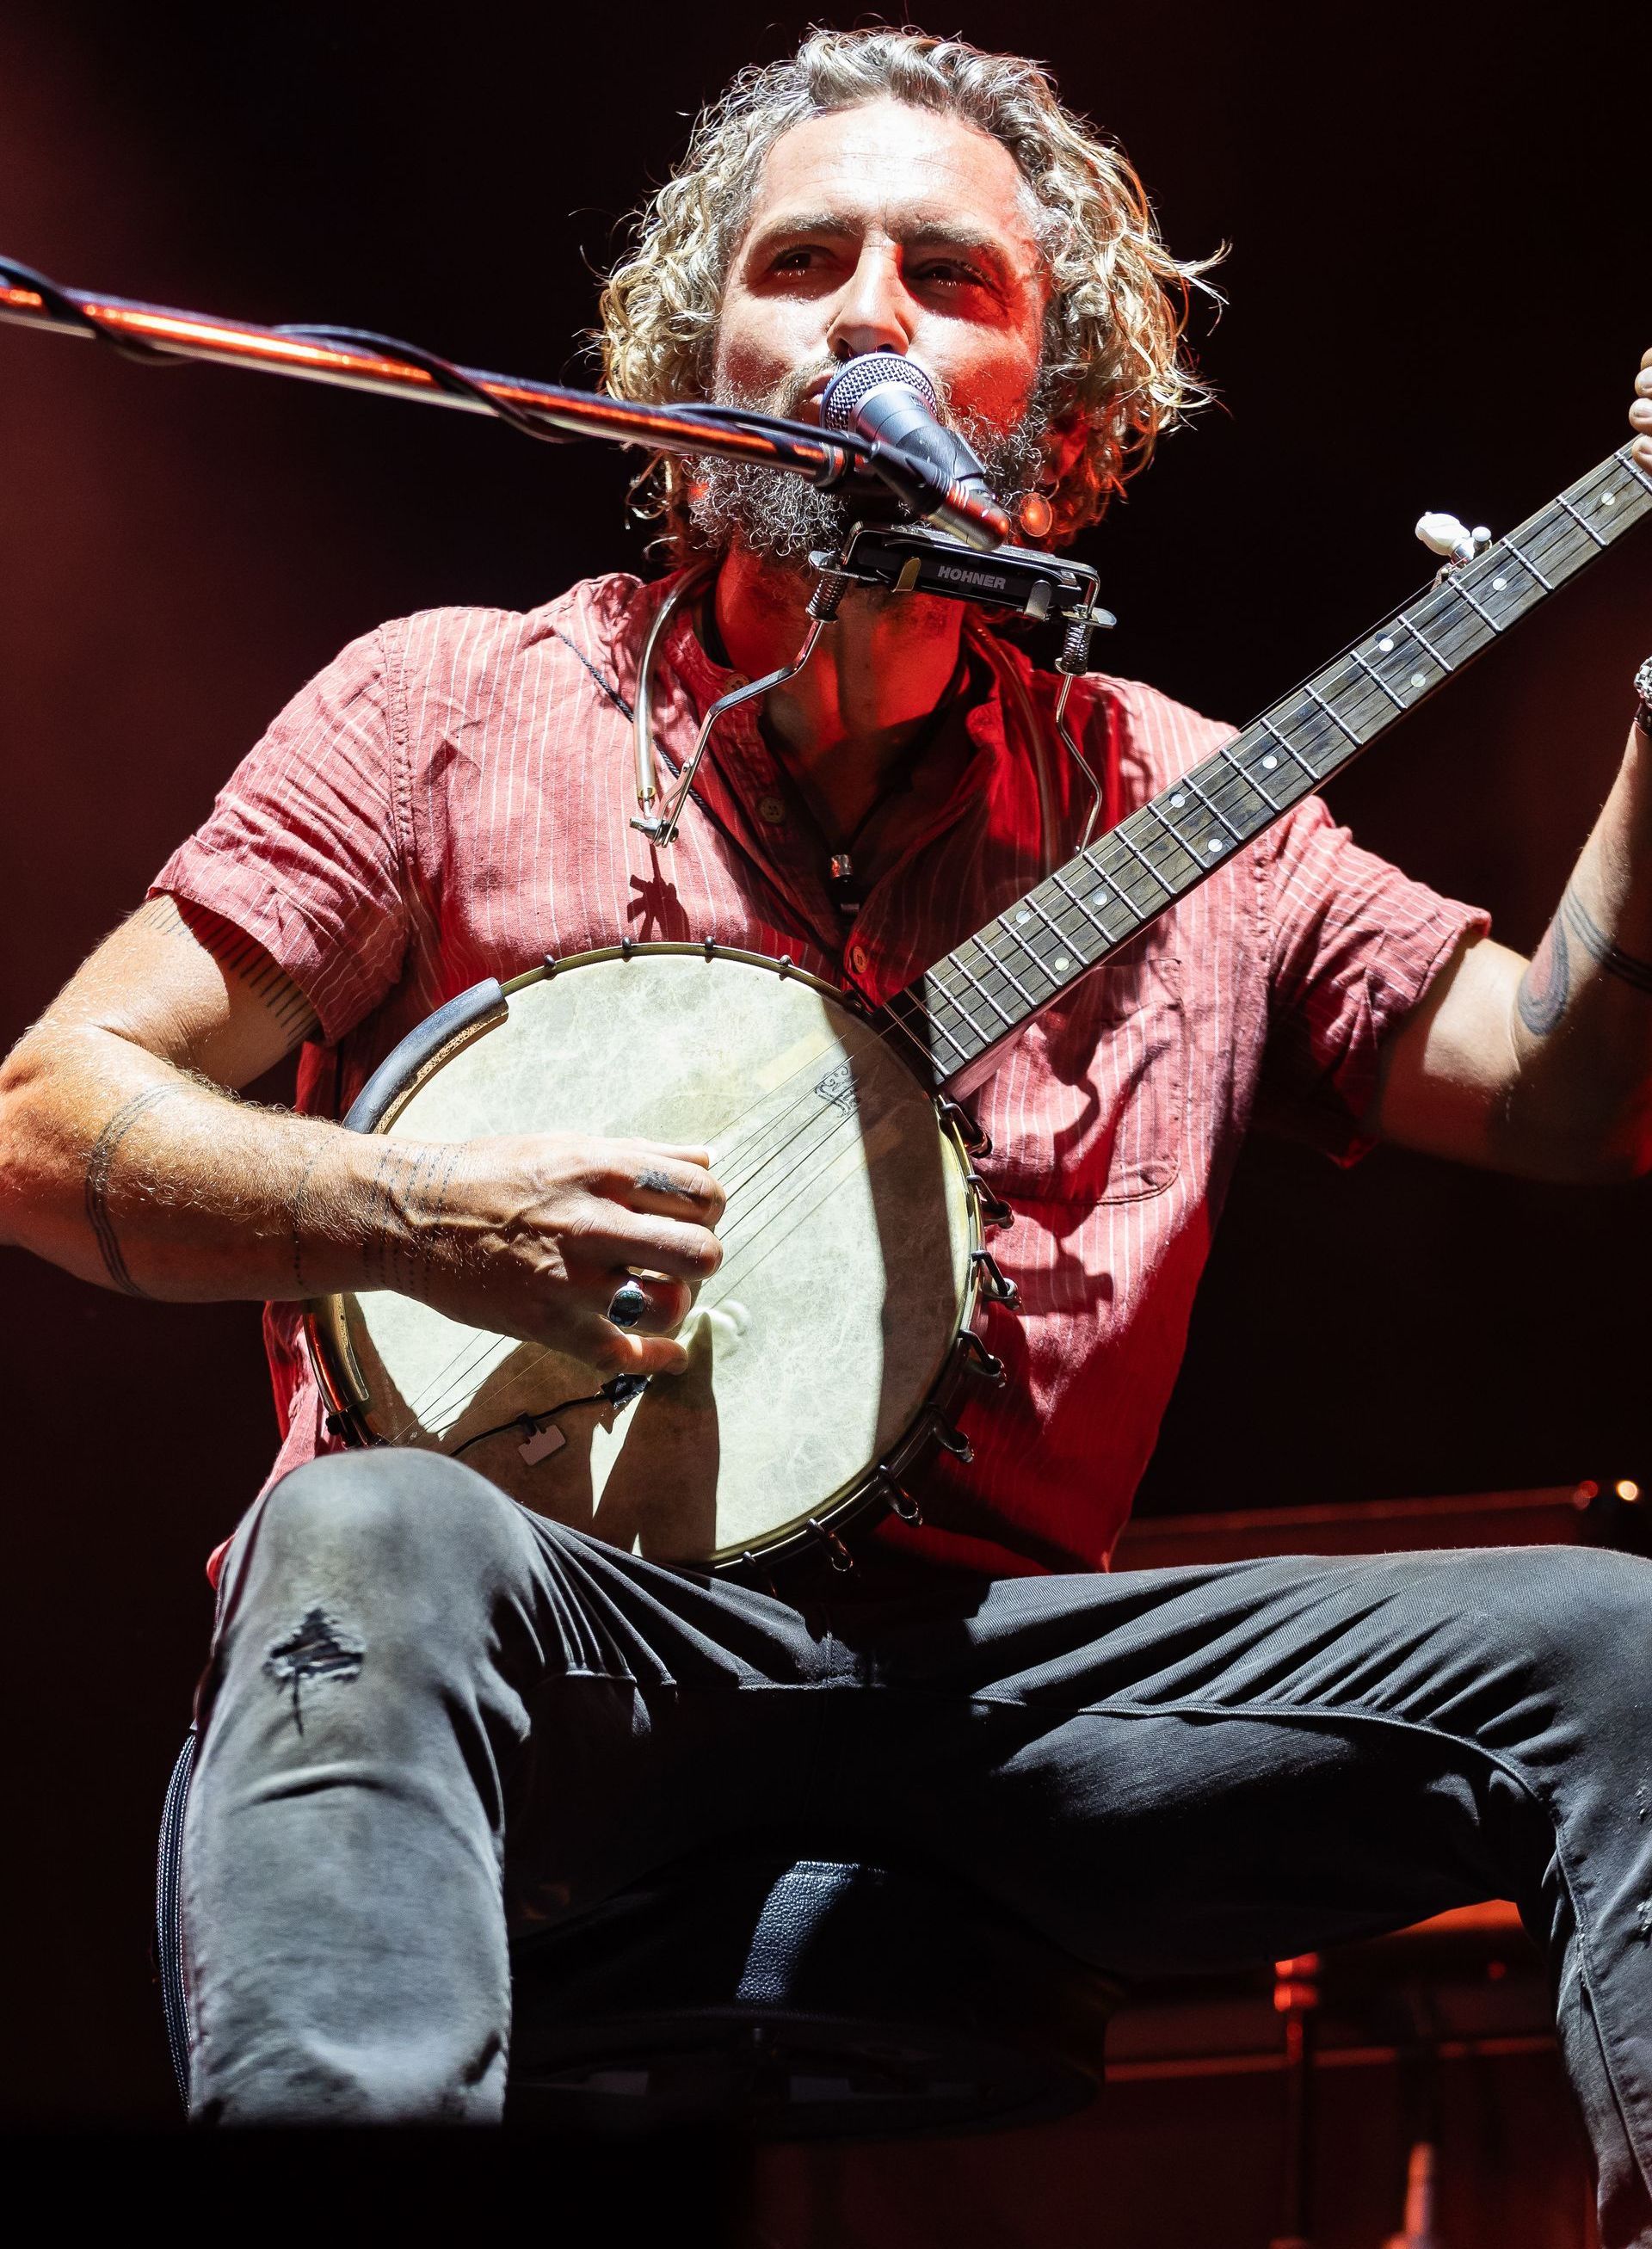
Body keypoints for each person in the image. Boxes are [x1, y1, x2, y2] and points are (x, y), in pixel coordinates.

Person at [3, 23, 1651, 2231]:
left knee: (1621, 1654)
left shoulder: (1190, 806)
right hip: (546, 1647)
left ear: (1068, 427)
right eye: (802, 264)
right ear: (688, 382)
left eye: (947, 279)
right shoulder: (451, 708)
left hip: (974, 1692)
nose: (866, 314)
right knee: (365, 1533)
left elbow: (1566, 1089)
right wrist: (423, 1214)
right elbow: (49, 1112)